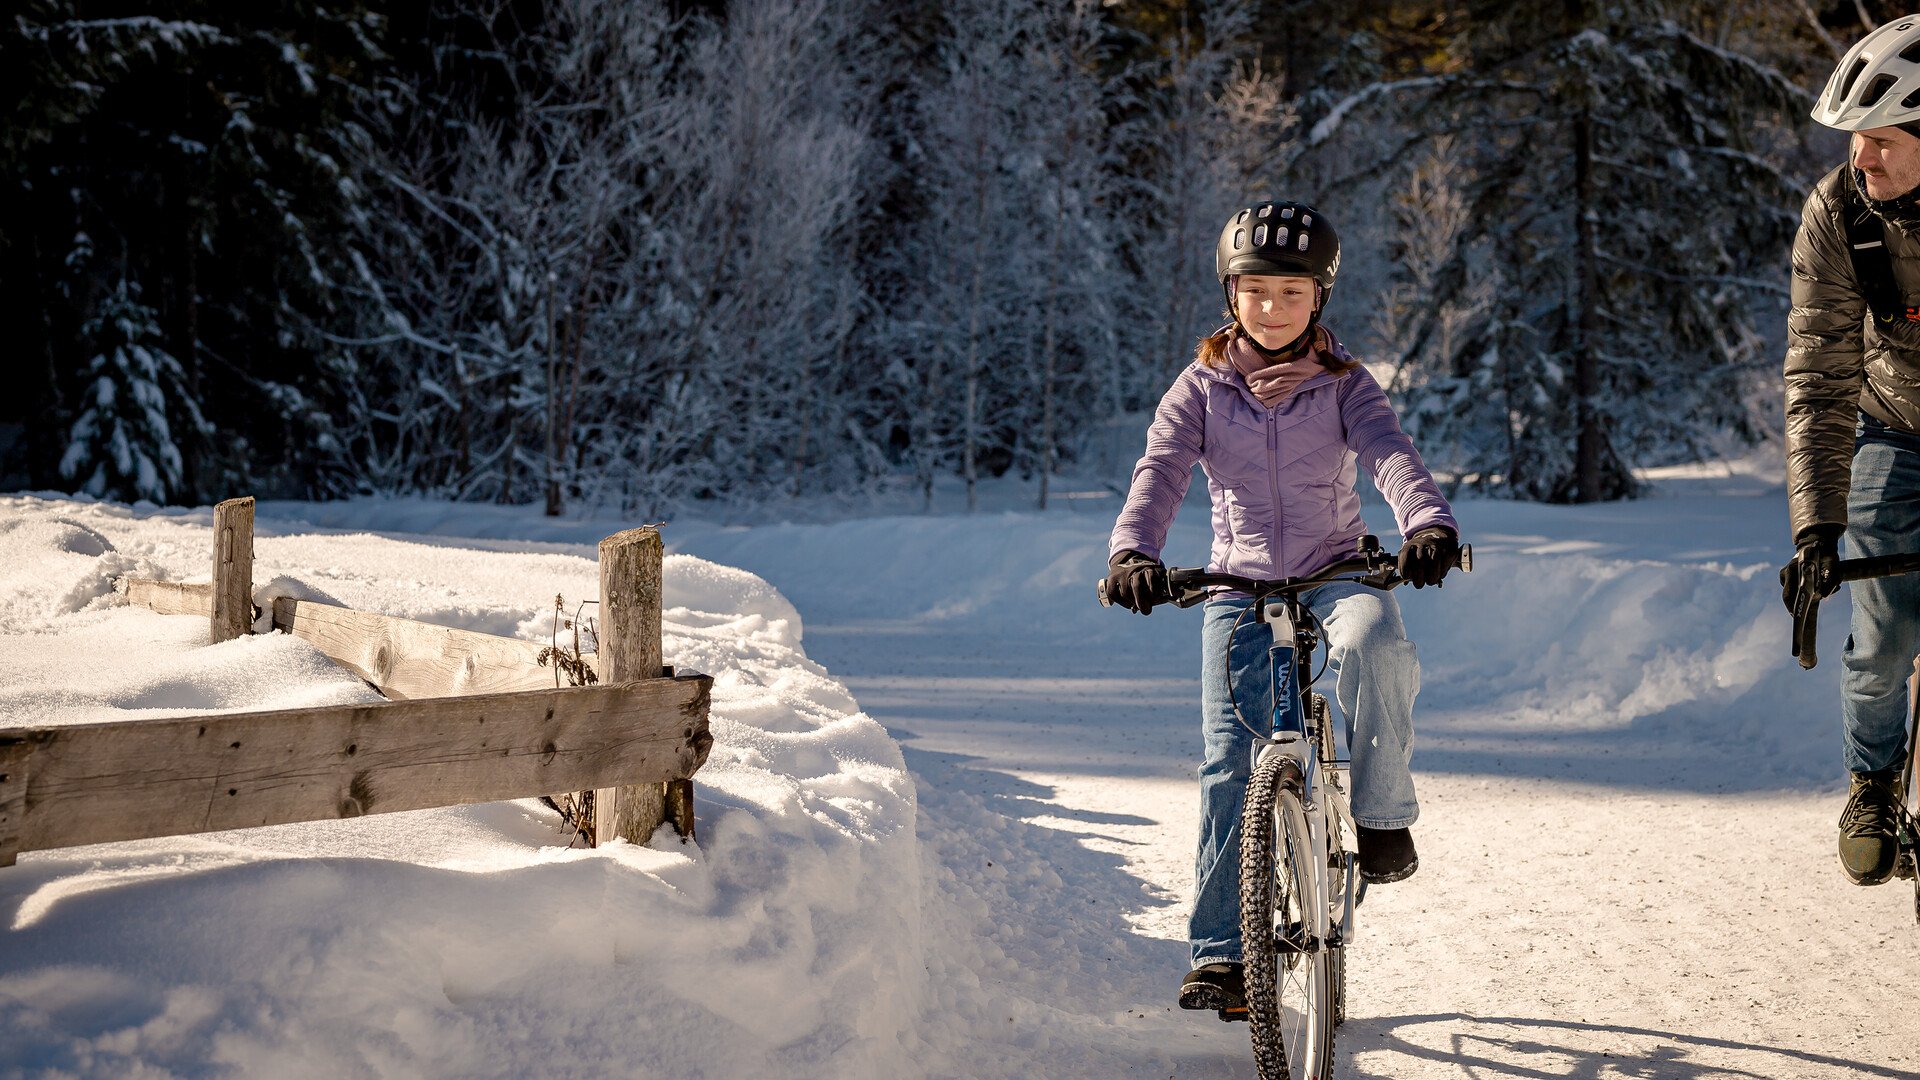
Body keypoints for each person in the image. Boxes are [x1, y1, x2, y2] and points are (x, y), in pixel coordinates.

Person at [1103, 200, 1461, 1018]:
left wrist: (1428, 524)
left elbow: (1391, 456)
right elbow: (1160, 471)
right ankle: (1223, 954)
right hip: (1236, 586)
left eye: (1291, 293)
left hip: (1337, 571)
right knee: (1231, 761)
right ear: (1231, 295)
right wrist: (1133, 553)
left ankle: (1380, 819)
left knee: (1375, 646)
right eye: (1256, 291)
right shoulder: (1200, 388)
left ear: (1319, 301)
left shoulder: (1346, 385)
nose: (1272, 309)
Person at [1787, 16, 1920, 887]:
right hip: (1890, 425)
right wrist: (1815, 530)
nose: (1859, 158)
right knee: (1881, 630)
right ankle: (1874, 783)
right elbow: (1819, 372)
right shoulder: (1839, 211)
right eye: (1855, 141)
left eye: (1878, 139)